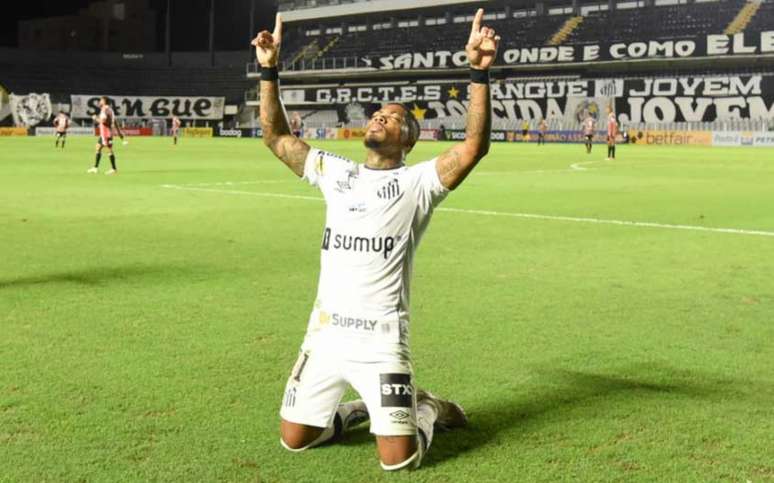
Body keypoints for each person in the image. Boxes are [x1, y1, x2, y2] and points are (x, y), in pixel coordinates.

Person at [253, 9, 499, 471]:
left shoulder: (419, 183)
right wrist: (269, 69)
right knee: (295, 439)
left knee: (398, 461)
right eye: (378, 114)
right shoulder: (335, 172)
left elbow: (473, 147)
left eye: (394, 118)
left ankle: (424, 407)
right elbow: (275, 135)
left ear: (409, 138)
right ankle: (362, 410)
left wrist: (478, 72)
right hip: (326, 332)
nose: (381, 118)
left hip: (381, 341)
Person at [87, 97, 123, 175]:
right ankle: (95, 168)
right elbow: (114, 121)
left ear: (104, 101)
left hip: (106, 134)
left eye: (101, 100)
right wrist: (119, 132)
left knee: (109, 150)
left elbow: (103, 121)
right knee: (98, 147)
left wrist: (95, 118)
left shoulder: (104, 110)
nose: (99, 102)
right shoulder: (110, 110)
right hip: (105, 134)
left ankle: (114, 169)